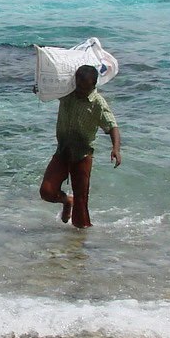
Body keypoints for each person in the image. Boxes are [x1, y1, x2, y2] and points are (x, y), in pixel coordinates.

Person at [39, 64, 121, 228]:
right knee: (47, 191)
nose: (80, 91)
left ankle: (80, 244)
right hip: (62, 151)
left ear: (93, 85)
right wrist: (40, 88)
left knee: (81, 203)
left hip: (82, 155)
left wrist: (116, 149)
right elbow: (49, 89)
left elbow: (112, 126)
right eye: (78, 86)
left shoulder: (97, 103)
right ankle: (67, 200)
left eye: (85, 88)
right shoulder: (67, 93)